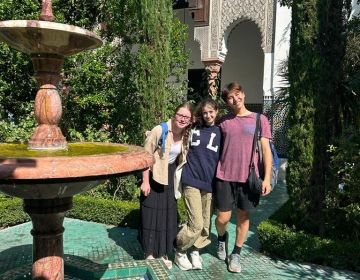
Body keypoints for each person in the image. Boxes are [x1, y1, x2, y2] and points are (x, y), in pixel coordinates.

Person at [214, 82, 272, 273]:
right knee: (222, 218)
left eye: (237, 94)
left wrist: (267, 178)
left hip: (248, 177)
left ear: (243, 94)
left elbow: (266, 150)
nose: (235, 99)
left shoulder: (259, 119)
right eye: (230, 97)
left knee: (243, 216)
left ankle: (236, 253)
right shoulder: (223, 121)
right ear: (227, 101)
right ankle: (222, 239)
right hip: (224, 175)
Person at [139, 102, 193, 269]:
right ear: (174, 115)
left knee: (167, 217)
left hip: (170, 176)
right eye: (180, 115)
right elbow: (145, 157)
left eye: (187, 117)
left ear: (190, 120)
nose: (183, 119)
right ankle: (149, 253)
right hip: (154, 174)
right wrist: (145, 181)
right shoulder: (159, 130)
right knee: (150, 215)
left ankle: (162, 253)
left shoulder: (186, 134)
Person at [174, 99, 221, 271]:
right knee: (196, 224)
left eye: (211, 112)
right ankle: (179, 250)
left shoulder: (220, 131)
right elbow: (178, 127)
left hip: (209, 184)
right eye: (205, 112)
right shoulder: (193, 129)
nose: (208, 115)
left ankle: (195, 250)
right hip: (191, 180)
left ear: (216, 111)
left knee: (206, 224)